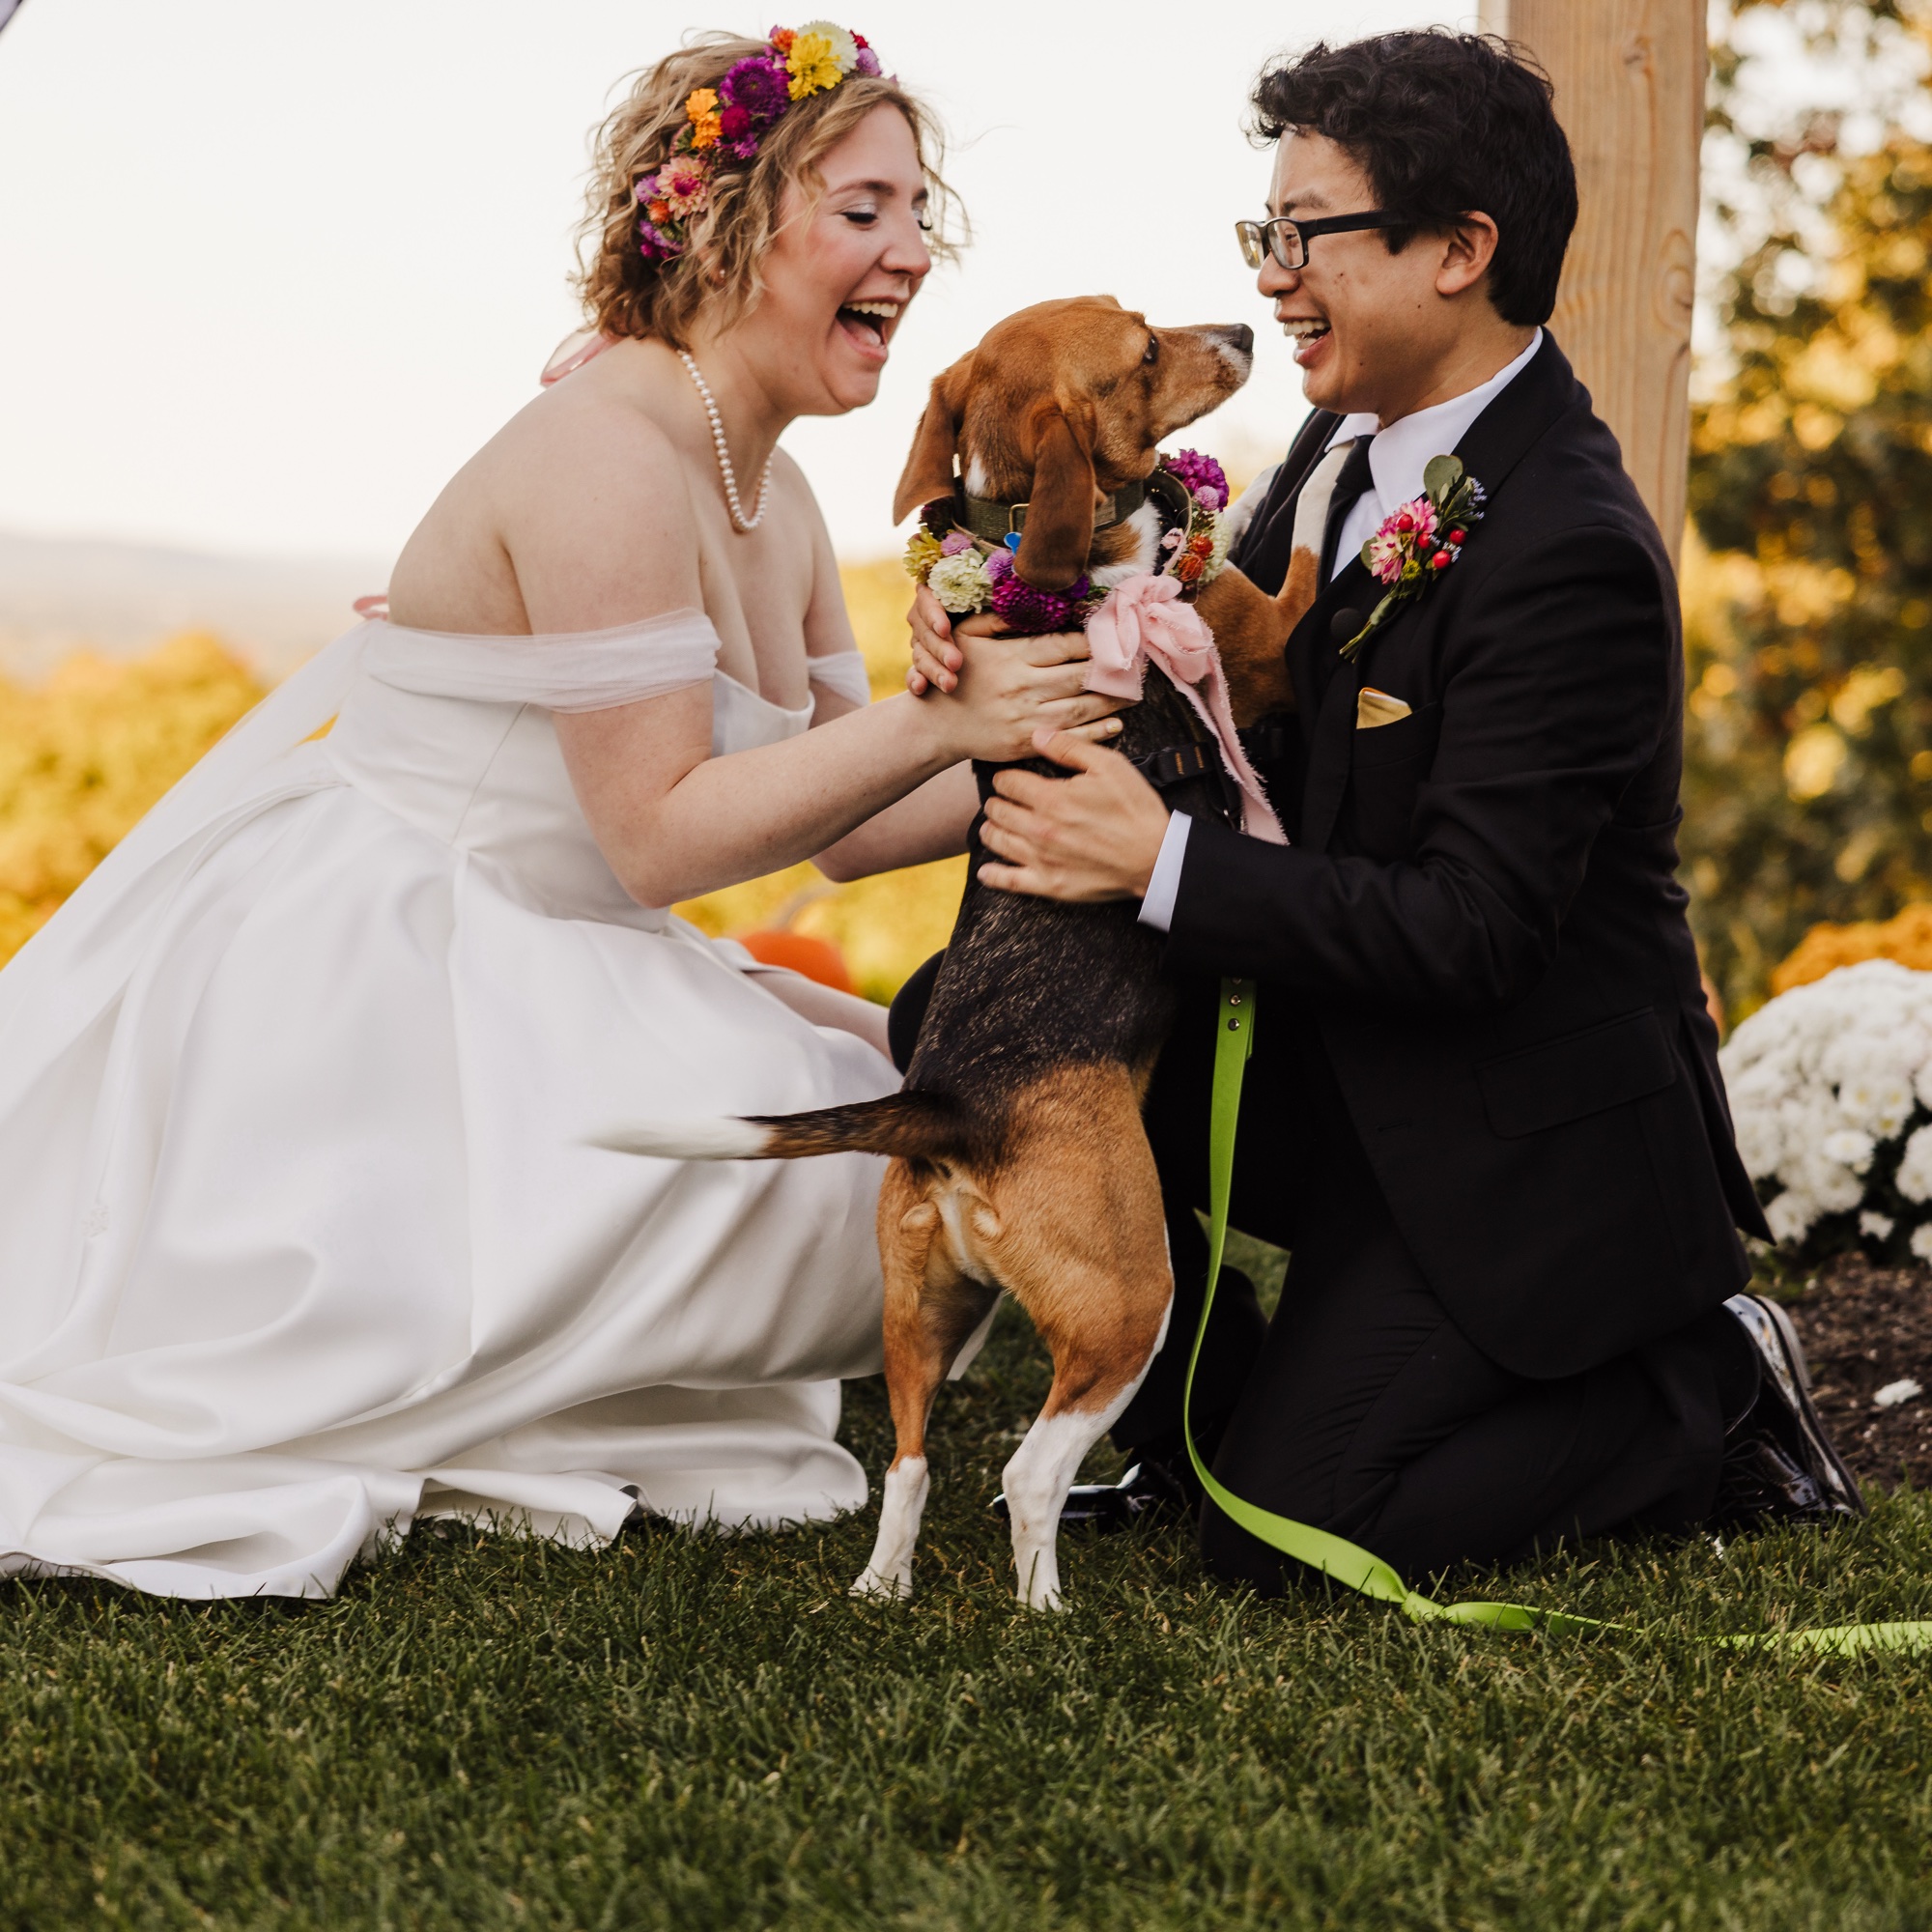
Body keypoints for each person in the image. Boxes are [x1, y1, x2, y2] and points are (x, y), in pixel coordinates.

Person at [0, 25, 1119, 1600]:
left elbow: (855, 819)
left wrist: (1081, 727)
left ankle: (562, 1366)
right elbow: (658, 839)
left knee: (911, 1118)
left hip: (574, 943)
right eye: (864, 210)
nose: (915, 254)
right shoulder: (606, 453)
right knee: (863, 1176)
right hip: (393, 962)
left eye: (918, 214)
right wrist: (951, 720)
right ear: (722, 227)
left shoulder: (782, 493)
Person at [904, 30, 1863, 1591]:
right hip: (1347, 1057)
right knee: (965, 1023)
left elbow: (1476, 933)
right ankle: (1194, 1411)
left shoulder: (1570, 545)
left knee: (1300, 1537)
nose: (1271, 276)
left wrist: (1161, 865)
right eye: (1265, 232)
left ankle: (1706, 1389)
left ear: (1459, 252)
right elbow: (1210, 668)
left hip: (1519, 1137)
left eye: (1307, 235)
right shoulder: (1338, 448)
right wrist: (985, 618)